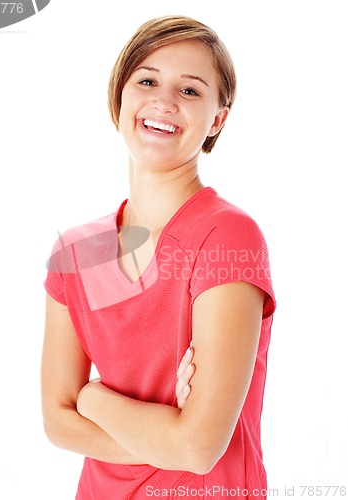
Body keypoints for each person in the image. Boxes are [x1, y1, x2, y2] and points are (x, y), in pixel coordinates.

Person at [41, 15, 276, 500]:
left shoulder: (227, 236)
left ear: (218, 118)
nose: (164, 100)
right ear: (120, 98)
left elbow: (197, 448)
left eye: (190, 90)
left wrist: (92, 397)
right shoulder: (77, 254)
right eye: (147, 80)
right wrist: (166, 433)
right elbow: (56, 423)